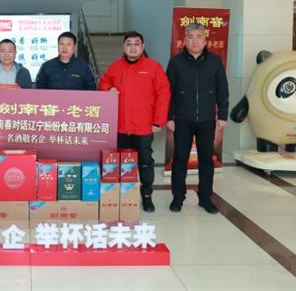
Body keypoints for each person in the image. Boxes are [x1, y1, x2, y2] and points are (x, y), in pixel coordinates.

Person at [98, 31, 170, 212]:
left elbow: (163, 94)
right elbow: (103, 84)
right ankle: (121, 197)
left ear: (142, 47)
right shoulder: (115, 67)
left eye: (136, 44)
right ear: (124, 47)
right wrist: (108, 89)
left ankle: (146, 196)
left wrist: (158, 121)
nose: (132, 47)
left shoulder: (153, 67)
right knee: (119, 163)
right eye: (128, 44)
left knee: (145, 162)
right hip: (119, 126)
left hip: (143, 127)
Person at [166, 23, 229, 214]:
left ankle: (205, 198)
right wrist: (169, 116)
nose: (194, 41)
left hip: (207, 119)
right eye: (191, 37)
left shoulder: (215, 62)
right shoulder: (176, 62)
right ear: (184, 40)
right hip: (182, 119)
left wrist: (223, 115)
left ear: (205, 40)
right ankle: (178, 197)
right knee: (180, 159)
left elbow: (223, 90)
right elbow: (168, 92)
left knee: (206, 160)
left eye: (198, 37)